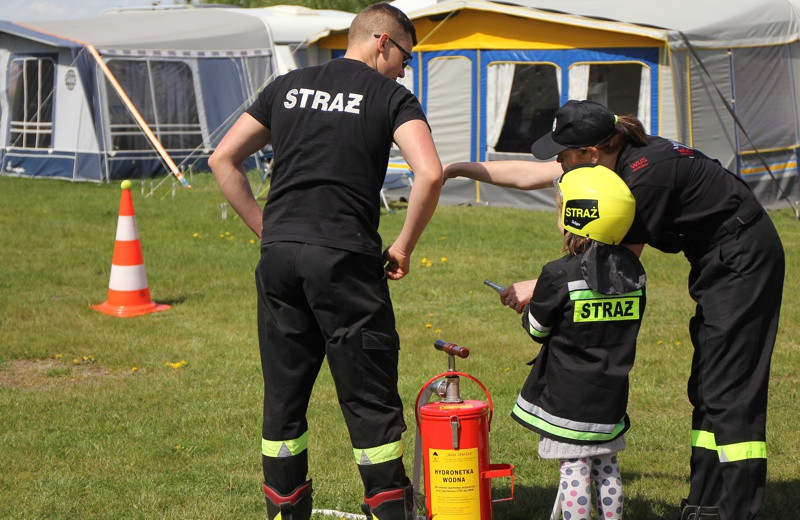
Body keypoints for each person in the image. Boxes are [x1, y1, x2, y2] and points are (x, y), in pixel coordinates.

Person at [447, 100, 785, 520]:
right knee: (708, 385)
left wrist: (540, 286)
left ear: (590, 153)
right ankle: (705, 504)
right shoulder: (610, 156)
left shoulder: (643, 179)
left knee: (731, 388)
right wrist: (455, 169)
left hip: (743, 260)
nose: (558, 161)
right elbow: (528, 174)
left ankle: (738, 510)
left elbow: (614, 265)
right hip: (718, 262)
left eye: (563, 153)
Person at [209, 4, 443, 519]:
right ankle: (390, 510)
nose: (407, 67)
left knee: (284, 397)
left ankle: (286, 510)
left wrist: (268, 231)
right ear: (383, 42)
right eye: (407, 54)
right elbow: (429, 173)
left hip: (280, 260)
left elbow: (221, 159)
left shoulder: (287, 86)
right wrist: (402, 246)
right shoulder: (391, 95)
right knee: (369, 397)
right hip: (345, 260)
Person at [511, 164, 646, 520]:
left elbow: (538, 330)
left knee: (574, 469)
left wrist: (527, 310)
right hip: (611, 396)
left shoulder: (558, 273)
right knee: (608, 466)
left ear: (574, 216)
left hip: (567, 401)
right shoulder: (633, 275)